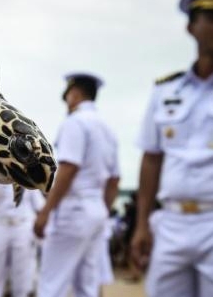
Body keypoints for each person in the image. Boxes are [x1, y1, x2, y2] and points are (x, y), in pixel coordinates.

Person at [131, 0, 213, 297]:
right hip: (171, 221)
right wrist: (142, 224)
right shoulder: (166, 90)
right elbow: (152, 158)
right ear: (191, 27)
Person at [34, 73, 120, 297]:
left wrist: (46, 211)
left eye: (67, 97)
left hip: (74, 210)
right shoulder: (108, 129)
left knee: (52, 284)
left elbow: (69, 169)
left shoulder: (75, 122)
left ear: (74, 95)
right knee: (87, 286)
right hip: (96, 210)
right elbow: (114, 179)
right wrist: (102, 210)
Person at [0, 183, 45, 297]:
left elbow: (39, 207)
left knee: (21, 271)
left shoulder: (27, 179)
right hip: (0, 225)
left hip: (22, 225)